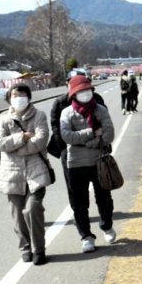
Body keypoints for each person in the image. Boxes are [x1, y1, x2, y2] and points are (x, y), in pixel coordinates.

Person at [0, 84, 52, 265]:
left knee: (32, 209)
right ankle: (26, 247)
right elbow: (0, 143)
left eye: (22, 95)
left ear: (28, 97)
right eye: (14, 95)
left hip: (36, 171)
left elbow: (41, 141)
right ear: (9, 98)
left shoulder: (39, 115)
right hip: (12, 174)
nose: (18, 98)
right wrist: (24, 137)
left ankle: (39, 249)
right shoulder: (3, 119)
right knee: (17, 214)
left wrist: (15, 147)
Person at [60, 75, 117, 253]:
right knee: (79, 202)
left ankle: (106, 225)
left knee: (104, 197)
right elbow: (67, 136)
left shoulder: (100, 110)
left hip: (99, 160)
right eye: (80, 91)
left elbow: (109, 134)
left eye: (87, 90)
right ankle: (86, 236)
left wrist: (87, 142)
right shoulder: (67, 113)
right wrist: (92, 133)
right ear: (73, 94)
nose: (85, 94)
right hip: (76, 163)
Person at [49, 70, 106, 210]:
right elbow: (57, 130)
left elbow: (105, 125)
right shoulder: (60, 103)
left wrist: (100, 143)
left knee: (102, 185)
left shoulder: (97, 98)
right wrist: (66, 150)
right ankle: (78, 212)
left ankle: (105, 213)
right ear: (67, 83)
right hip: (71, 152)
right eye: (72, 81)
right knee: (75, 188)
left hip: (96, 150)